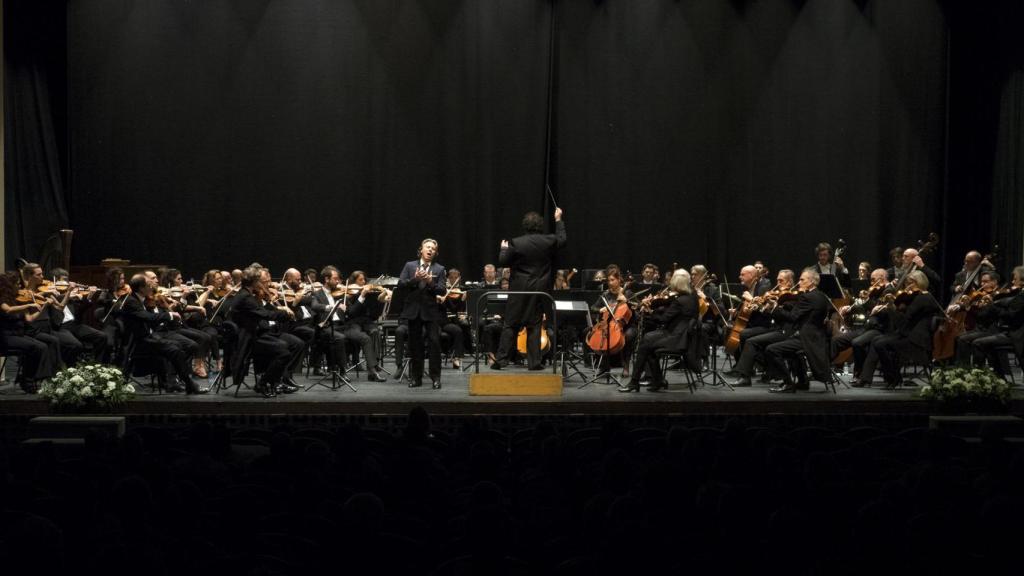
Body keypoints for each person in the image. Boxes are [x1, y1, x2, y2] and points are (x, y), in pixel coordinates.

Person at [491, 207, 566, 371]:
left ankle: (501, 360)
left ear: (525, 226)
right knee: (535, 325)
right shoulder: (548, 240)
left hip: (519, 290)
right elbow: (563, 238)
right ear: (540, 226)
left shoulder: (516, 242)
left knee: (510, 324)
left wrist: (503, 248)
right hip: (538, 290)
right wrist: (558, 219)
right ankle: (534, 363)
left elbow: (503, 261)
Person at [119, 274, 208, 394]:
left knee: (181, 347)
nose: (152, 287)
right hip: (139, 342)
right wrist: (169, 315)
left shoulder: (139, 299)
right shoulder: (131, 301)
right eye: (149, 285)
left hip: (148, 337)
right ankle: (187, 384)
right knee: (175, 350)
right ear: (141, 288)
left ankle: (174, 381)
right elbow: (148, 317)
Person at [619, 269, 699, 393]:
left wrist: (650, 312)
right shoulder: (692, 298)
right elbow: (673, 313)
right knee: (649, 348)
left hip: (676, 339)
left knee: (646, 340)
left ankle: (634, 382)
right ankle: (658, 380)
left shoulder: (679, 301)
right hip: (685, 337)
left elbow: (662, 320)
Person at [228, 266, 298, 397]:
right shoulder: (246, 298)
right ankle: (264, 382)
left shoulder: (245, 294)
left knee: (286, 347)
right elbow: (265, 314)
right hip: (249, 339)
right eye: (259, 281)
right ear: (254, 282)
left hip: (253, 334)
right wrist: (284, 315)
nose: (262, 284)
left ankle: (272, 382)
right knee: (283, 352)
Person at [866, 270, 942, 389]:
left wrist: (892, 307)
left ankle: (894, 378)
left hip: (917, 340)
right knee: (876, 341)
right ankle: (893, 378)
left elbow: (903, 322)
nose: (907, 286)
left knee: (881, 344)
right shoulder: (918, 297)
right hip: (909, 333)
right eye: (906, 283)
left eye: (910, 283)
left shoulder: (923, 299)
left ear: (919, 282)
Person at [762, 268, 832, 393]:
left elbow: (793, 317)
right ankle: (802, 381)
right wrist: (787, 306)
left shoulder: (807, 297)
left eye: (802, 279)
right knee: (791, 351)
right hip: (817, 337)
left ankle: (788, 384)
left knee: (771, 349)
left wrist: (775, 308)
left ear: (811, 282)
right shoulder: (821, 296)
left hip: (806, 339)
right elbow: (806, 312)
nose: (799, 282)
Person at [398, 239, 446, 388]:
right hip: (414, 311)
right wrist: (415, 279)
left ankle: (435, 378)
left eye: (433, 248)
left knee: (434, 343)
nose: (430, 250)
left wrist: (431, 282)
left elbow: (442, 290)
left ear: (435, 253)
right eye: (428, 247)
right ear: (421, 249)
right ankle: (416, 378)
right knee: (415, 345)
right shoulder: (410, 265)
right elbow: (400, 284)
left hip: (430, 311)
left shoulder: (439, 268)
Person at [0, 271, 58, 392]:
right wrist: (27, 305)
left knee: (42, 346)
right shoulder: (2, 299)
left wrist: (44, 306)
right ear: (8, 285)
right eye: (17, 284)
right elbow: (8, 310)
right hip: (5, 336)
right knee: (35, 347)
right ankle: (29, 381)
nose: (20, 286)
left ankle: (32, 378)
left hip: (18, 335)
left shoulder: (19, 299)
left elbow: (29, 319)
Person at [972, 266, 1024, 380]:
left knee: (978, 343)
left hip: (1017, 335)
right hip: (1011, 332)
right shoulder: (1019, 294)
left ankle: (977, 379)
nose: (1013, 281)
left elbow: (1011, 316)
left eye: (1015, 279)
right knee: (988, 343)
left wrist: (992, 306)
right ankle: (999, 378)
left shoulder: (1022, 296)